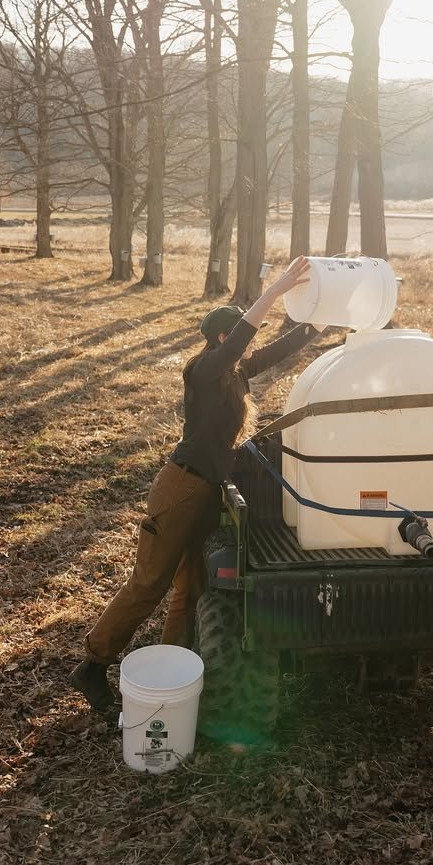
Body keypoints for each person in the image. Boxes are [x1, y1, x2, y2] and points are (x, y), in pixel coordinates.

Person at [70, 256, 317, 713]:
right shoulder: (203, 371)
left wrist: (317, 324)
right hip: (181, 488)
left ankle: (173, 673)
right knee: (149, 583)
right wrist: (275, 290)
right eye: (239, 339)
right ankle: (92, 665)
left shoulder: (234, 374)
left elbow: (275, 352)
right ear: (222, 339)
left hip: (207, 494)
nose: (248, 345)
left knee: (190, 588)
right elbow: (244, 337)